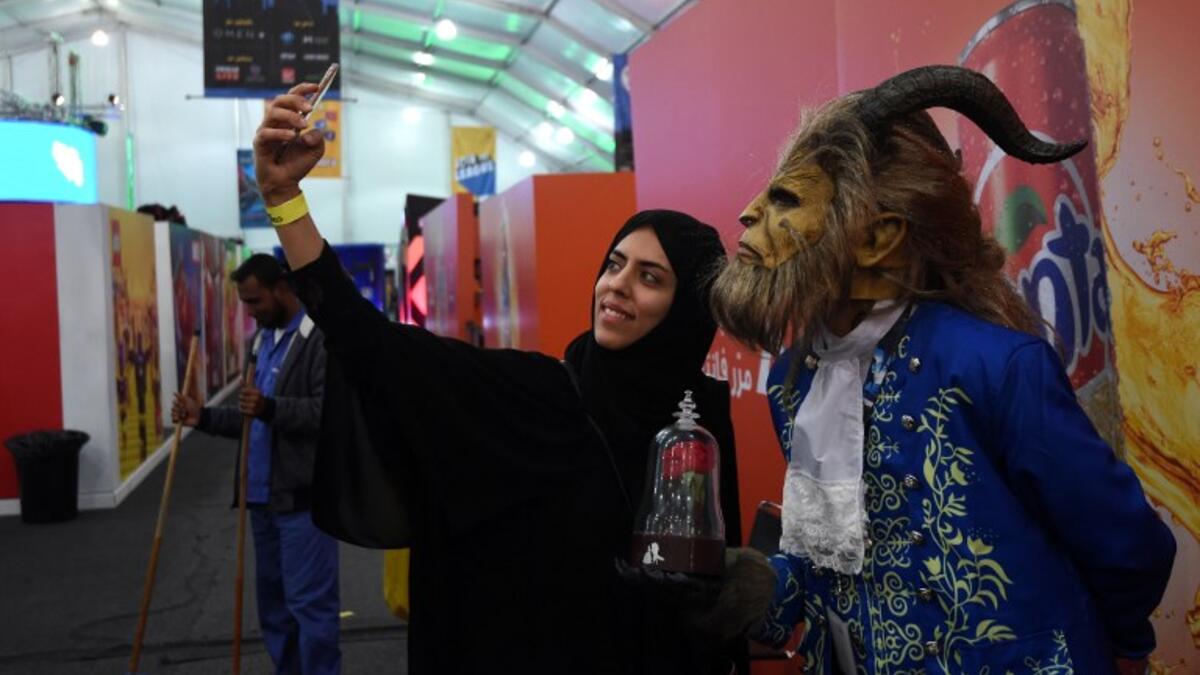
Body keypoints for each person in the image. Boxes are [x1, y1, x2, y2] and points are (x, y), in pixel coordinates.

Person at [251, 83, 746, 673]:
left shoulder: (699, 421)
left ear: (686, 310)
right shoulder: (544, 397)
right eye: (613, 264)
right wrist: (283, 199)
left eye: (650, 277)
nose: (616, 285)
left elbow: (712, 605)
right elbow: (373, 345)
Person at [706, 65, 1177, 675]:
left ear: (878, 238)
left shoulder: (995, 367)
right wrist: (766, 588)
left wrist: (1123, 647)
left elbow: (1127, 545)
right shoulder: (793, 382)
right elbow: (830, 561)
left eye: (787, 201)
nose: (748, 215)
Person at [172, 253, 340, 675]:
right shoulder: (261, 341)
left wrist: (271, 408)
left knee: (311, 610)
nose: (250, 312)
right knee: (275, 612)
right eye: (245, 303)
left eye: (255, 302)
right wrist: (203, 417)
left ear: (282, 289)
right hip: (261, 500)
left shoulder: (319, 338)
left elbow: (328, 416)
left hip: (304, 503)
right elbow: (252, 415)